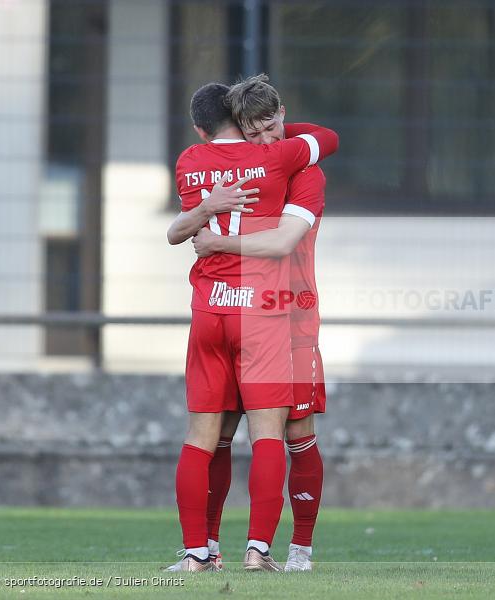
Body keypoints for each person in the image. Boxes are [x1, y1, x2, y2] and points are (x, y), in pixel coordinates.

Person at [164, 78, 338, 572]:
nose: (265, 138)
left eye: (271, 126)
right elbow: (327, 135)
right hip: (264, 310)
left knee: (296, 433)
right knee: (238, 434)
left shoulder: (295, 170)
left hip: (280, 309)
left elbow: (280, 240)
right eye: (253, 131)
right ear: (238, 127)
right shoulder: (282, 160)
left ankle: (298, 550)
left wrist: (211, 229)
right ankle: (232, 549)